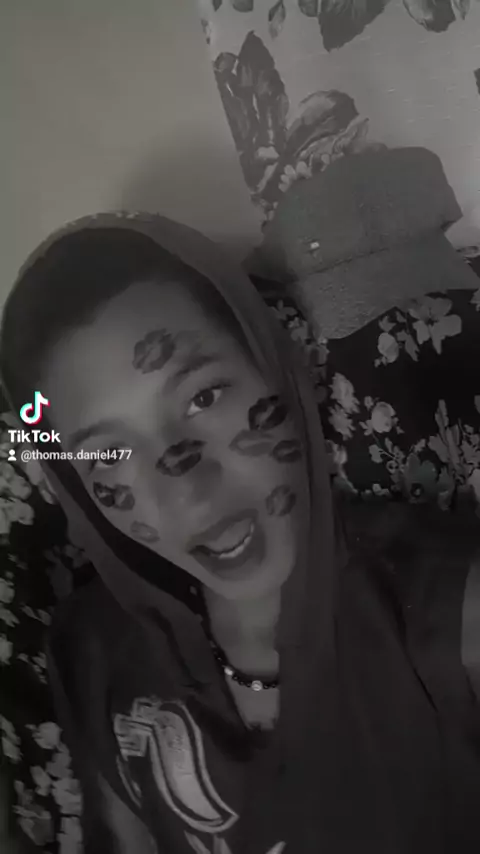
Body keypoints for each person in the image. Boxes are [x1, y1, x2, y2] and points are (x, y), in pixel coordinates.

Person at [1, 212, 480, 854]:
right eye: (108, 456)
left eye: (204, 397)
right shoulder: (96, 656)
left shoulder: (452, 615)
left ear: (273, 363)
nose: (190, 493)